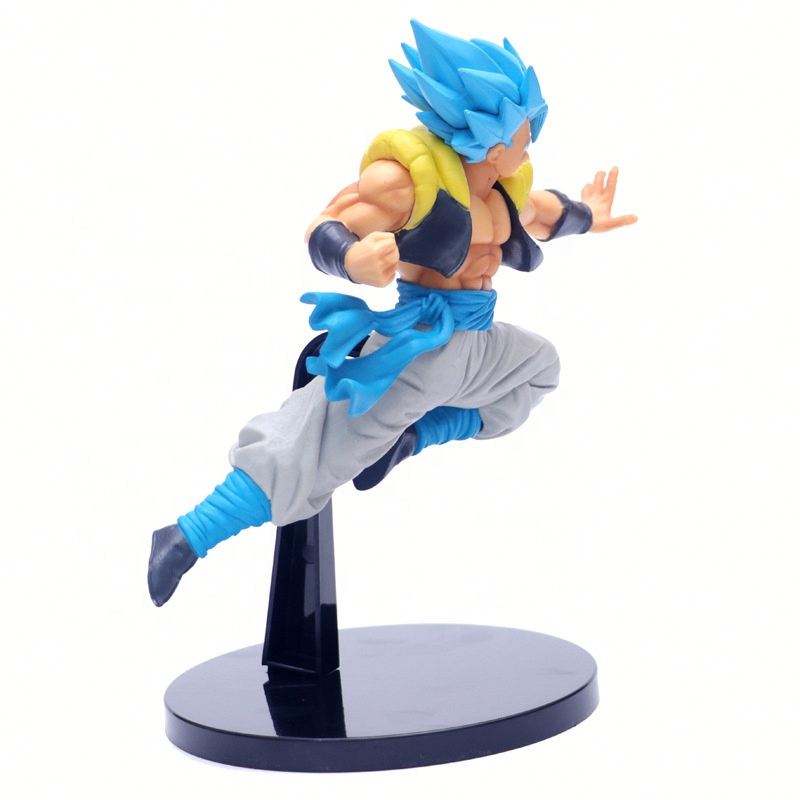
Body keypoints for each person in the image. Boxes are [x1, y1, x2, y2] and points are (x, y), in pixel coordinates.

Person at [148, 19, 637, 606]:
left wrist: (591, 215)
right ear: (490, 134)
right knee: (314, 450)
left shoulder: (504, 185)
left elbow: (545, 213)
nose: (530, 141)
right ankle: (186, 536)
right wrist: (352, 259)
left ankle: (413, 438)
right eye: (524, 130)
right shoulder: (408, 182)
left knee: (540, 368)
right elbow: (327, 224)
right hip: (421, 348)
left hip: (480, 342)